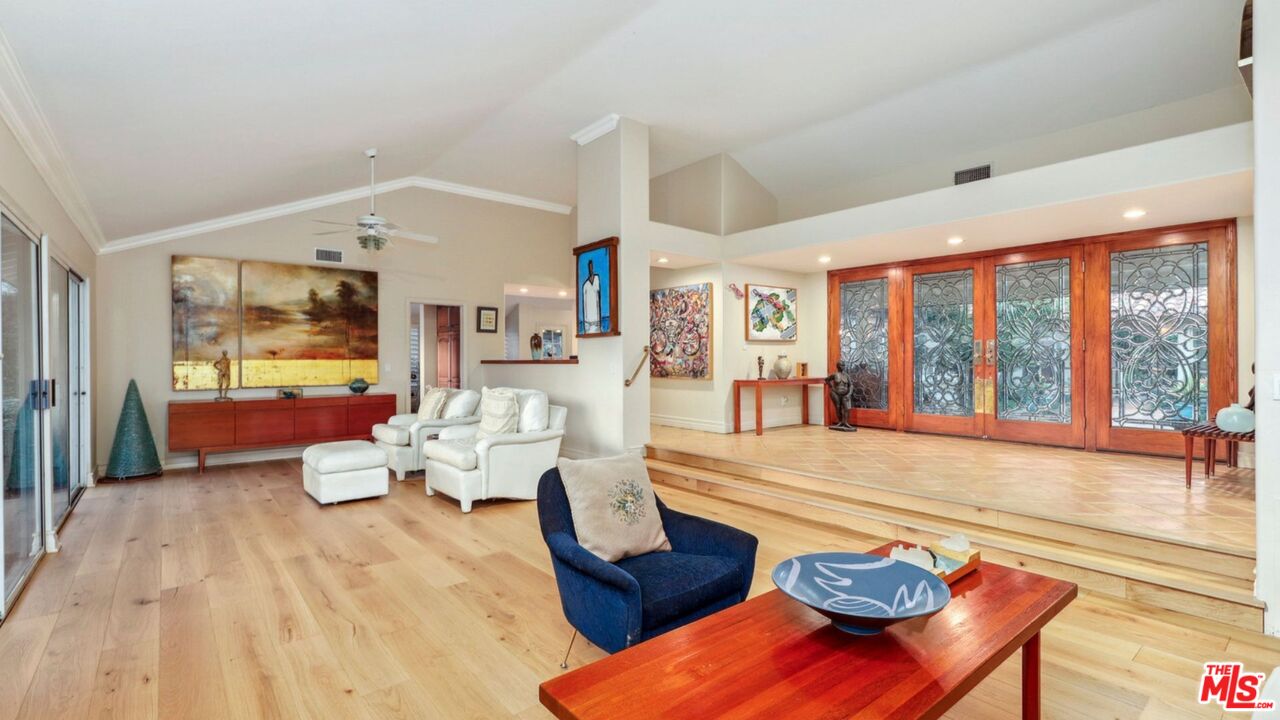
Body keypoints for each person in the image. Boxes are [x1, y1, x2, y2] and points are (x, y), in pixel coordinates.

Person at [581, 259, 602, 333]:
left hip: (596, 320)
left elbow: (598, 293)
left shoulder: (597, 279)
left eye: (592, 267)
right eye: (589, 267)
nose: (591, 269)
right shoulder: (585, 285)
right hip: (588, 321)